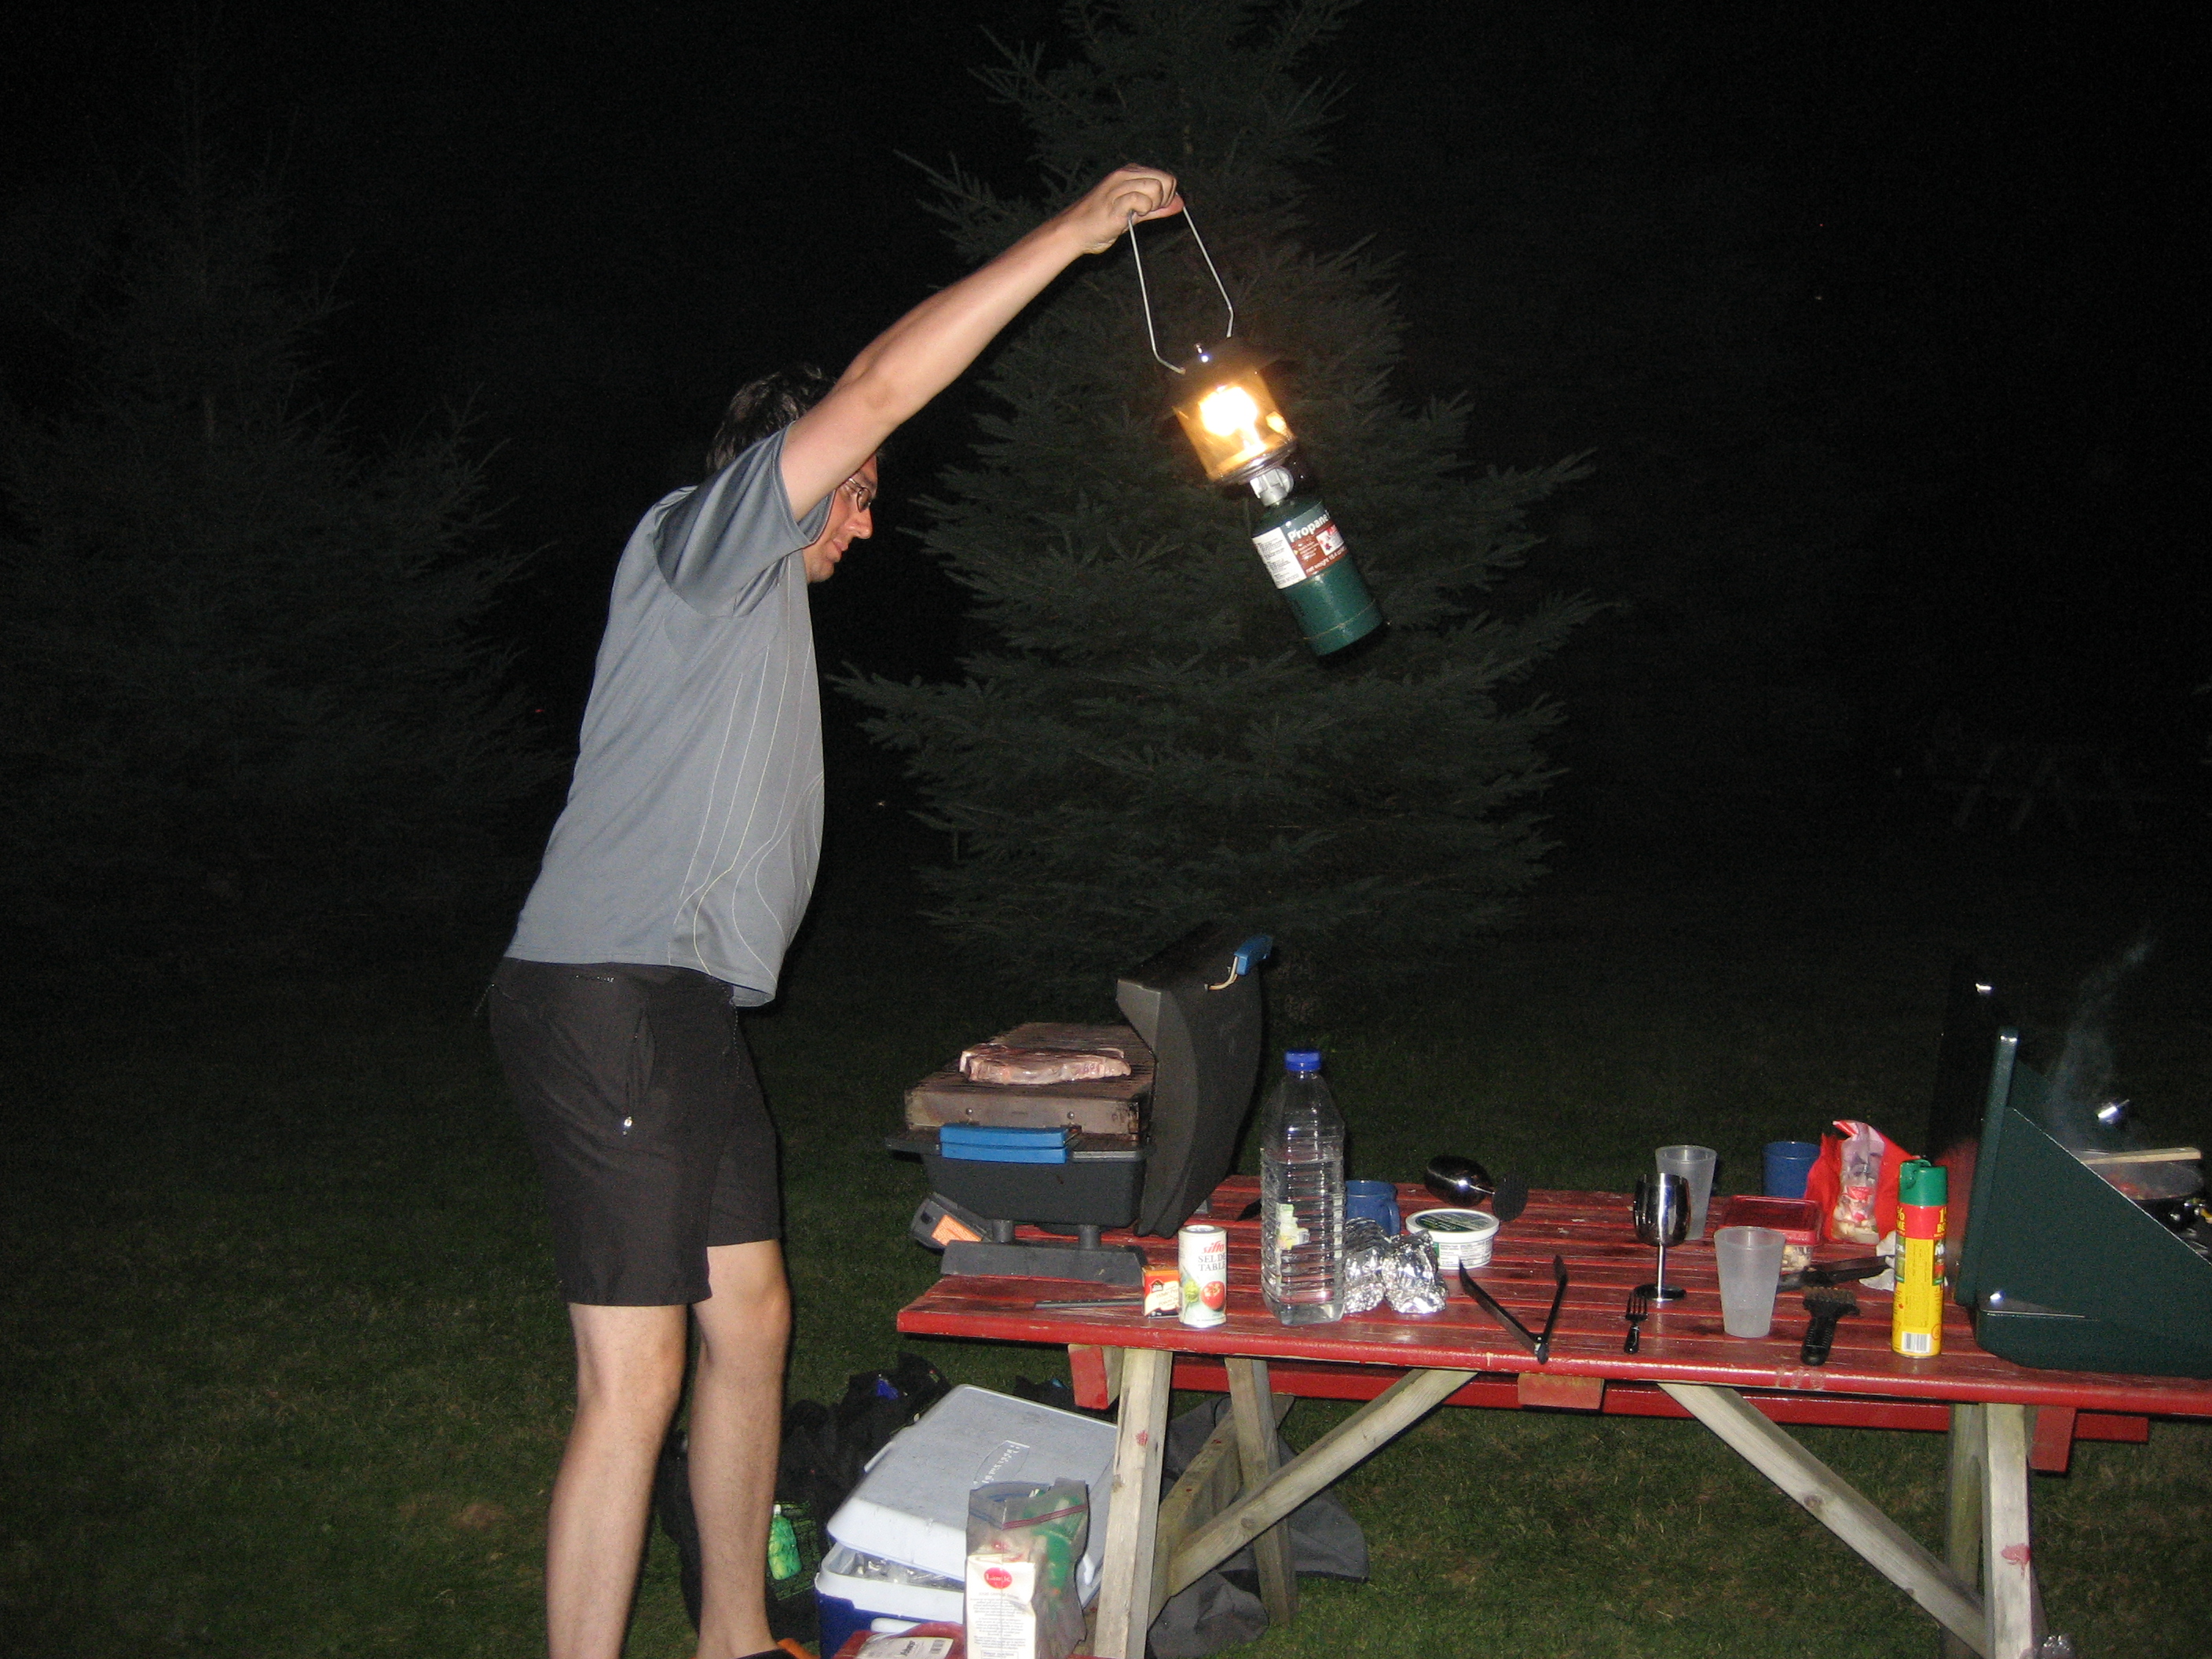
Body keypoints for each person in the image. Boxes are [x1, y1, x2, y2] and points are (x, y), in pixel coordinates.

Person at [487, 164, 1183, 1659]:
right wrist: (1071, 237)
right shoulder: (699, 543)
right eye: (859, 494)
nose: (866, 526)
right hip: (604, 992)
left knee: (753, 1323)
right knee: (634, 1377)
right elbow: (877, 388)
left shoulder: (752, 609)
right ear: (794, 469)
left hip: (682, 1004)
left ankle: (736, 1638)